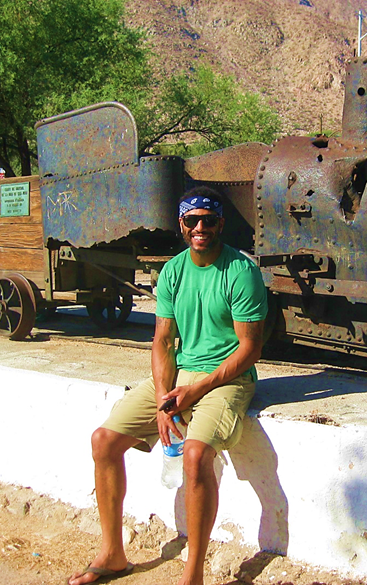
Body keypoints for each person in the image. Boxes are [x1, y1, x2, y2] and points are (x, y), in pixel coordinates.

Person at [69, 186, 268, 585]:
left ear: (220, 224)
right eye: (191, 221)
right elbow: (161, 340)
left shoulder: (241, 273)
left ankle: (192, 575)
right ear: (181, 225)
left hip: (226, 379)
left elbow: (249, 349)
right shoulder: (174, 270)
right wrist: (164, 399)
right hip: (178, 377)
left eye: (208, 220)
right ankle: (112, 554)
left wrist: (194, 392)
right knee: (103, 441)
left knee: (195, 456)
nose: (200, 228)